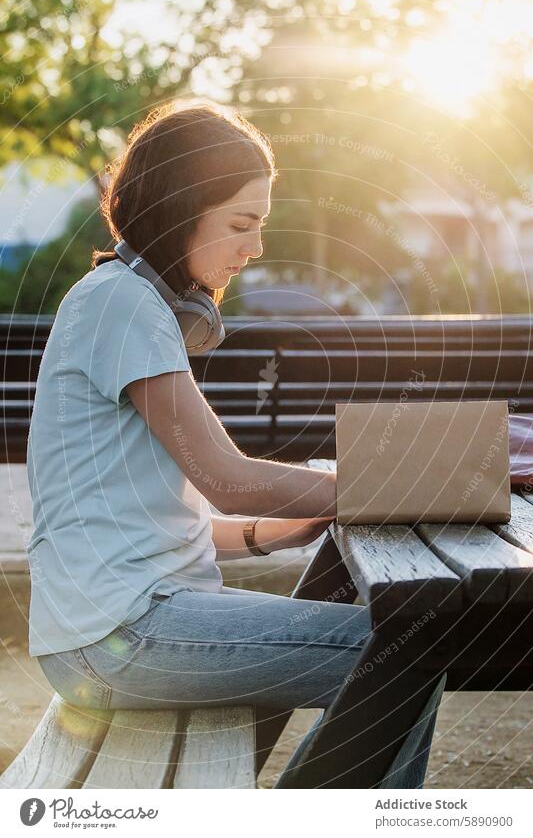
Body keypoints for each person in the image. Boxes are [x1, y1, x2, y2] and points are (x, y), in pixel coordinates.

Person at [27, 100, 441, 786]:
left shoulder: (127, 301)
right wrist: (395, 485)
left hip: (120, 624)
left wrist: (260, 535)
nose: (254, 249)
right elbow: (226, 476)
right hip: (118, 637)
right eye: (240, 225)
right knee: (404, 653)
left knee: (402, 648)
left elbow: (137, 513)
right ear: (178, 209)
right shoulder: (123, 304)